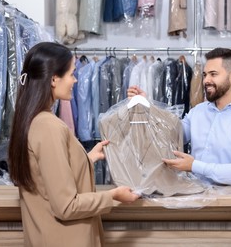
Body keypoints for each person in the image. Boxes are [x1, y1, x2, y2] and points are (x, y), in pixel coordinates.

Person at [8, 42, 139, 247]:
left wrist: (86, 159)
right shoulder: (49, 127)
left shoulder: (33, 120)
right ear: (53, 79)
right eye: (71, 74)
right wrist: (113, 196)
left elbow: (45, 177)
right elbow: (66, 206)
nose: (75, 80)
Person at [128, 47, 231, 187]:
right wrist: (147, 106)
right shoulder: (198, 112)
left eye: (213, 74)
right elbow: (170, 135)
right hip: (194, 197)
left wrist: (194, 166)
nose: (206, 80)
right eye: (205, 74)